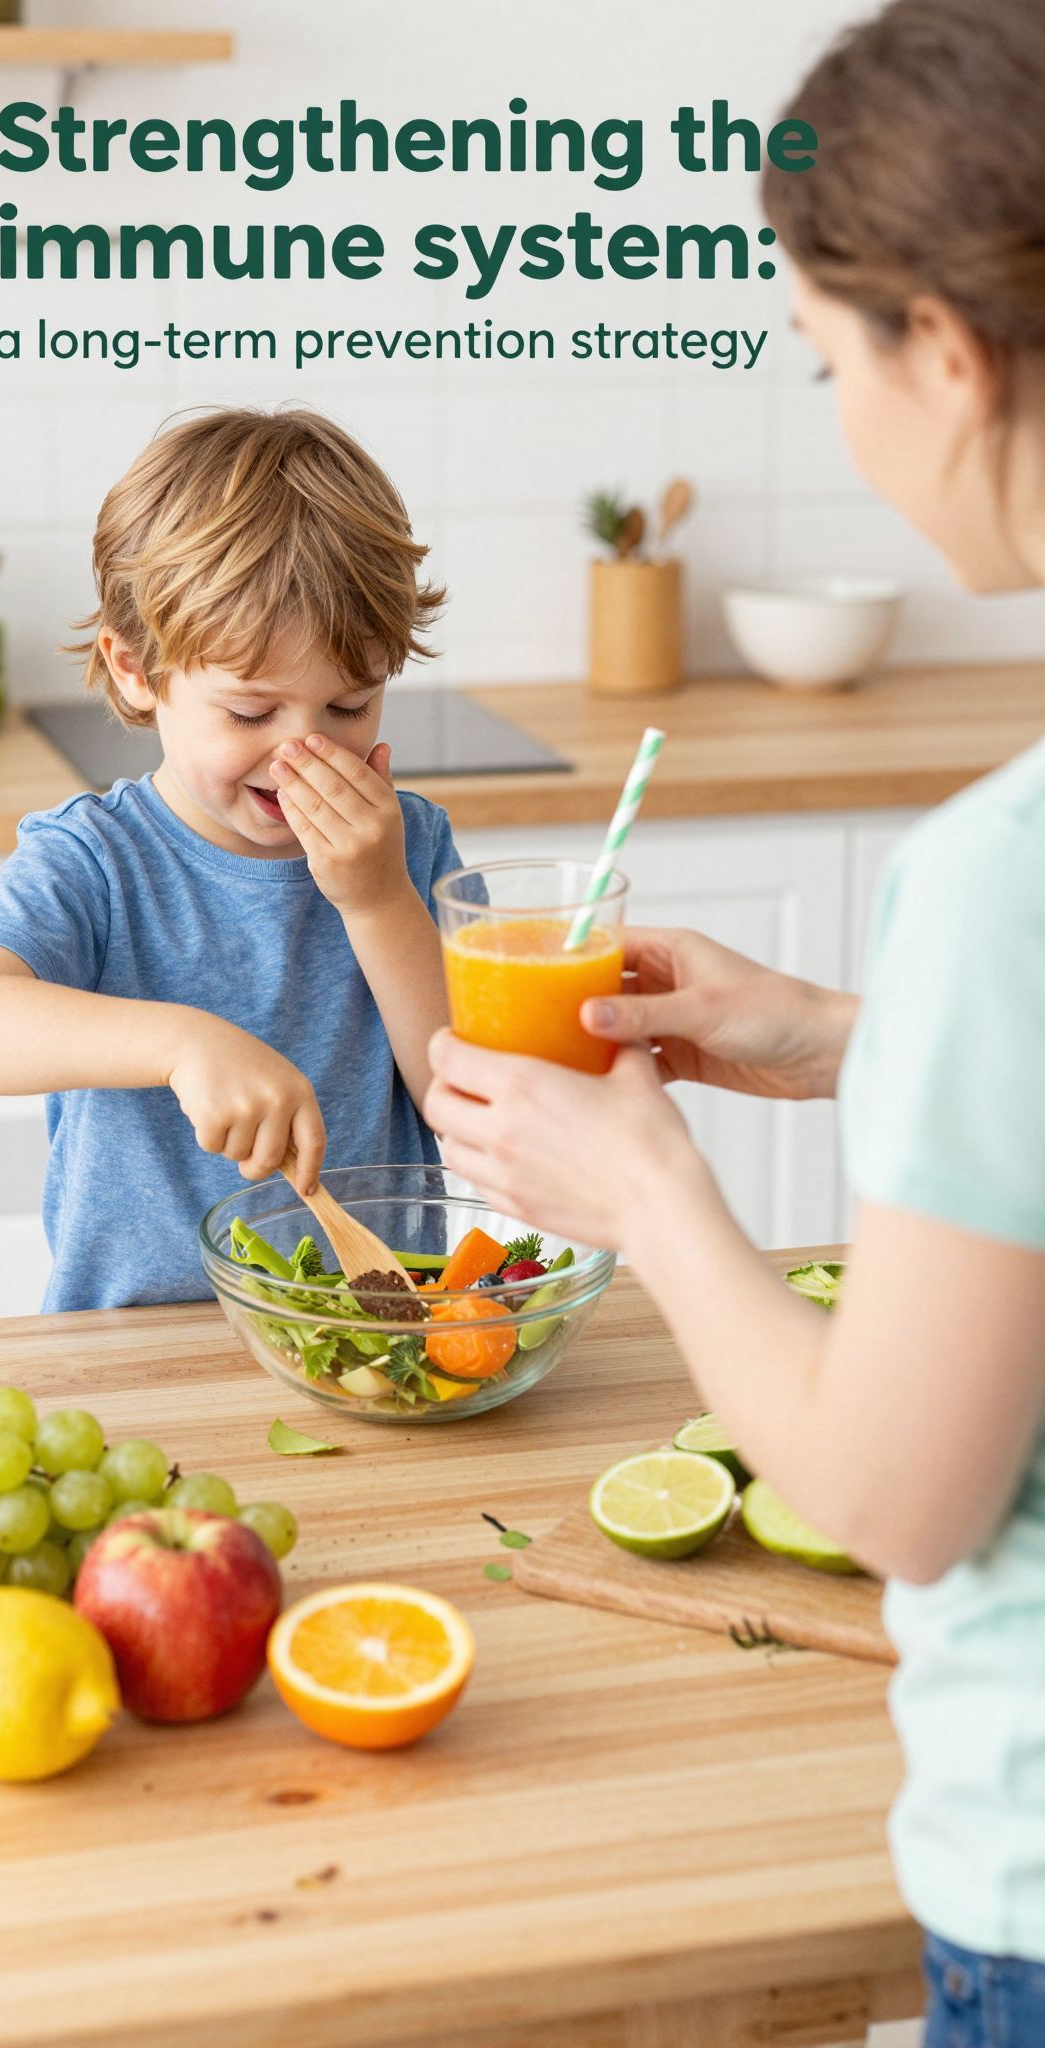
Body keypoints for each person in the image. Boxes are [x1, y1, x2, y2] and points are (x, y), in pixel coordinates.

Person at [424, 1, 1045, 2040]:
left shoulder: (1001, 871)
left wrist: (652, 1198)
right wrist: (853, 1032)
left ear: (942, 349)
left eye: (821, 360)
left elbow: (890, 1493)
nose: (842, 418)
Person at [0, 407, 458, 1312]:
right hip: (138, 1346)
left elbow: (465, 1103)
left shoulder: (409, 847)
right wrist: (179, 1044)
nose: (305, 753)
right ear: (136, 671)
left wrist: (377, 902)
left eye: (350, 706)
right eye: (251, 713)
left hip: (375, 1329)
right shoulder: (96, 860)